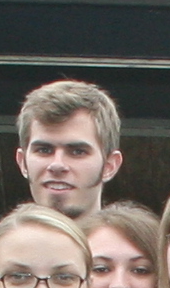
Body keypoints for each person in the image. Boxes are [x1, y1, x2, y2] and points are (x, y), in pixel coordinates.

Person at [13, 80, 124, 219]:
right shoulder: (3, 234)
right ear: (22, 162)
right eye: (44, 150)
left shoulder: (138, 234)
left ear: (110, 166)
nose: (57, 165)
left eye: (78, 152)